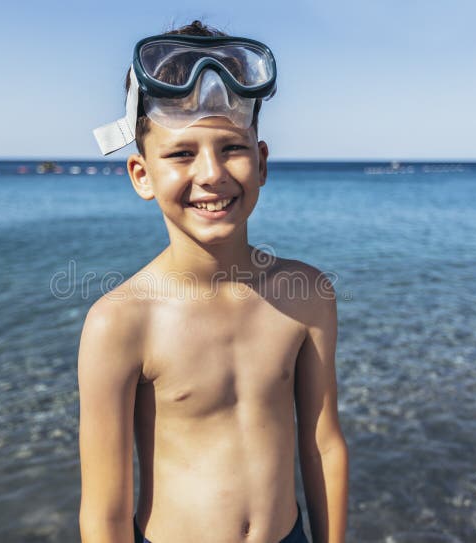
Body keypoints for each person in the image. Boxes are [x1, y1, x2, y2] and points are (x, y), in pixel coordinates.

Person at [78, 19, 348, 543]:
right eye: (181, 153)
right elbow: (104, 513)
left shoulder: (307, 295)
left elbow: (324, 446)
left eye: (231, 148)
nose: (211, 174)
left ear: (262, 162)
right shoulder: (121, 322)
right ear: (141, 174)